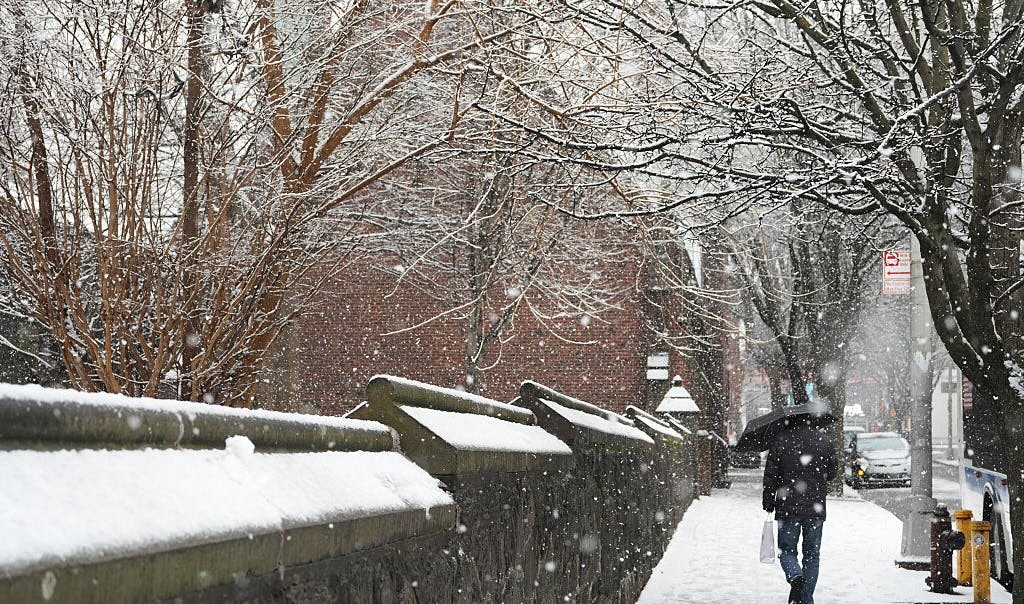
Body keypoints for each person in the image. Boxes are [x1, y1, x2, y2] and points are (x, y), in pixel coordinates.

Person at [762, 417, 838, 604]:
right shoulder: (824, 440)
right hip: (815, 509)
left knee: (787, 551)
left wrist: (768, 500)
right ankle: (805, 599)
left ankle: (796, 577)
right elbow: (833, 473)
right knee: (812, 555)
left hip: (787, 508)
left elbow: (770, 475)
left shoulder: (780, 440)